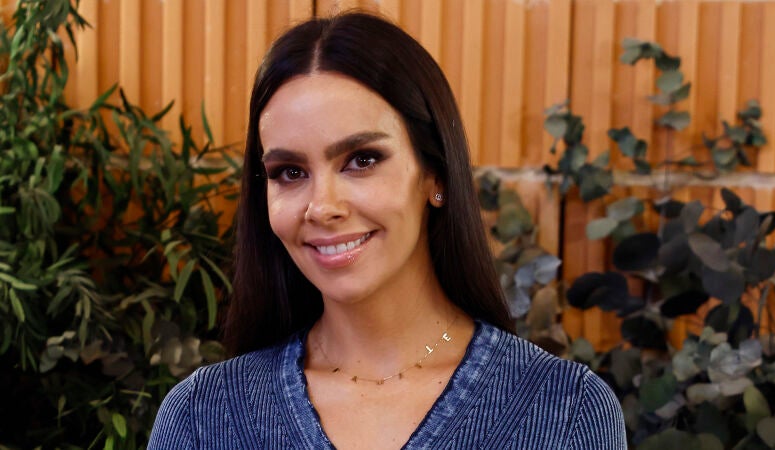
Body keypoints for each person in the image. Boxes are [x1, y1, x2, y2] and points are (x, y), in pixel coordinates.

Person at [149, 12, 625, 450]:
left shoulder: (566, 414)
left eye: (361, 160)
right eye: (290, 172)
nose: (323, 207)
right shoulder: (201, 418)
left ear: (436, 175)